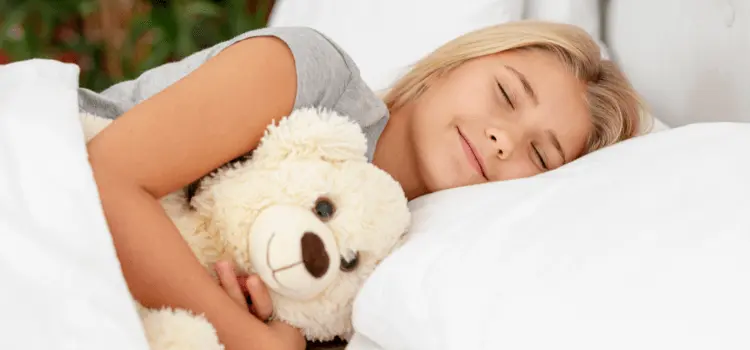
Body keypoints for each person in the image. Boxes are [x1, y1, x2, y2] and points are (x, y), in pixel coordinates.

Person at [80, 20, 647, 350]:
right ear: (451, 66)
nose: (504, 140)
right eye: (505, 93)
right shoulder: (312, 74)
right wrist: (250, 340)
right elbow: (100, 177)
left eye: (540, 154)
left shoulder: (401, 269)